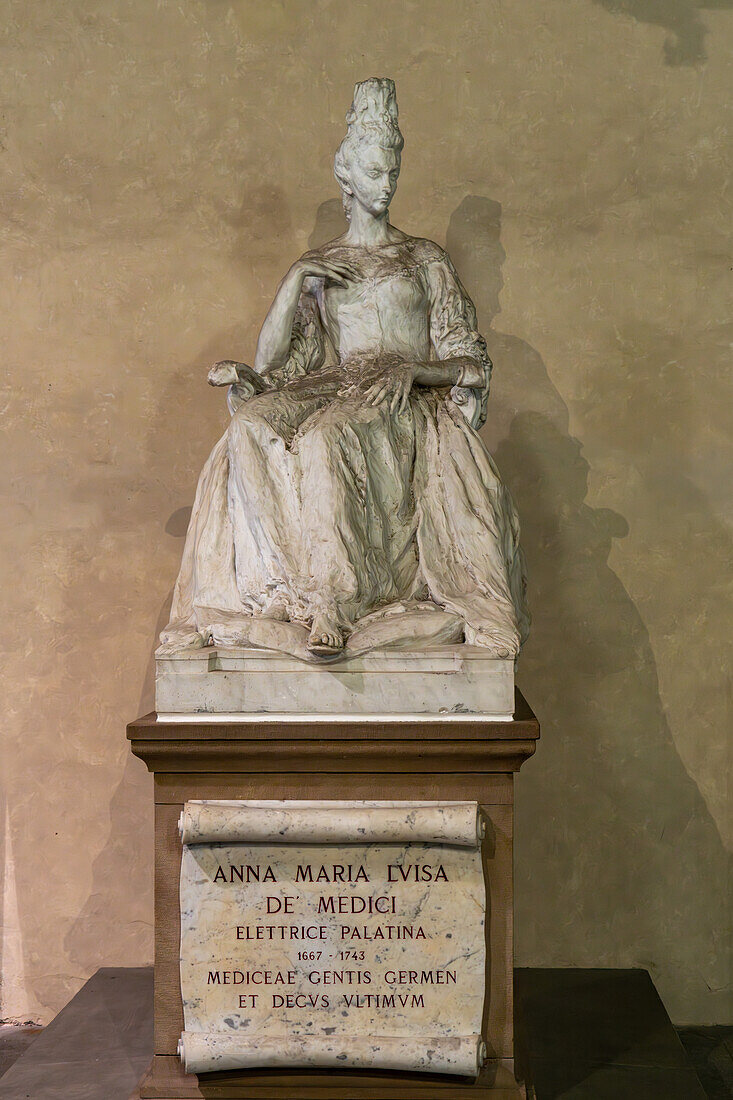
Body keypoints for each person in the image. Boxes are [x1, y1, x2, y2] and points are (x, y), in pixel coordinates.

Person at [160, 78, 528, 660]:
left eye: (392, 174)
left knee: (328, 436)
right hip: (339, 382)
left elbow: (471, 361)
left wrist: (417, 373)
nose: (386, 186)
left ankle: (333, 599)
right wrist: (294, 282)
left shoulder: (423, 258)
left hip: (402, 398)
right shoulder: (323, 265)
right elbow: (281, 365)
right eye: (375, 174)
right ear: (347, 177)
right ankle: (283, 589)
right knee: (252, 423)